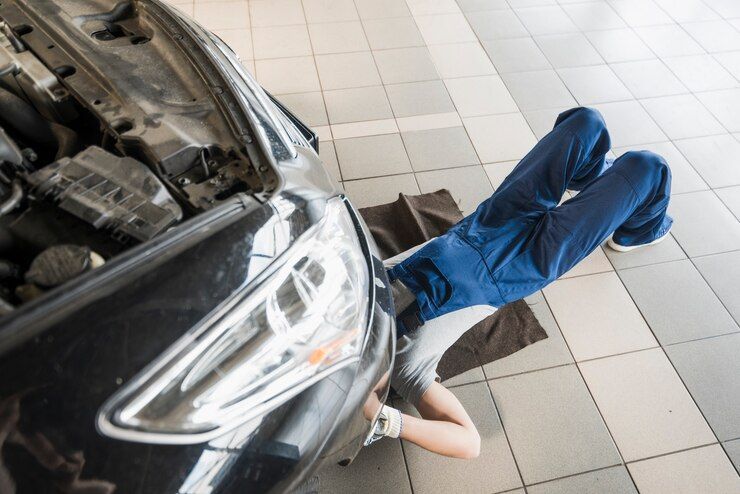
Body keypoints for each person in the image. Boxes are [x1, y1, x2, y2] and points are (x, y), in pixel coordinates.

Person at [367, 107, 673, 459]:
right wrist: (384, 419)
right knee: (647, 167)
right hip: (527, 260)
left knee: (586, 122)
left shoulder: (354, 289)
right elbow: (469, 443)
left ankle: (590, 177)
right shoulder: (406, 366)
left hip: (489, 221)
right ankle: (638, 231)